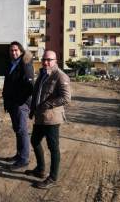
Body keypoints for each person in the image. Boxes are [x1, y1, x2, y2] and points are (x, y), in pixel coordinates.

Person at [26, 50, 71, 189]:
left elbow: (66, 98)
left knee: (53, 148)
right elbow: (36, 93)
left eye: (49, 60)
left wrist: (47, 104)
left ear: (55, 60)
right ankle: (40, 169)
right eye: (44, 59)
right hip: (40, 117)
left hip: (52, 119)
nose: (46, 62)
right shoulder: (42, 74)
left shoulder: (60, 76)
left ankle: (52, 177)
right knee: (34, 141)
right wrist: (33, 109)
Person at [2, 41, 34, 170]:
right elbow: (8, 84)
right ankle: (19, 154)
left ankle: (24, 159)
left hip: (20, 104)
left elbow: (30, 86)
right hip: (12, 104)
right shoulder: (12, 64)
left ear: (21, 51)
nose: (13, 52)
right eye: (11, 50)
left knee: (22, 131)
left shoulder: (25, 64)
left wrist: (20, 101)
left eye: (16, 50)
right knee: (18, 130)